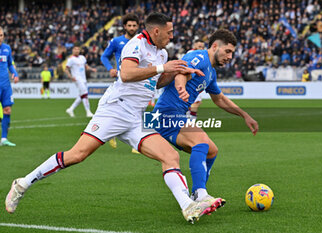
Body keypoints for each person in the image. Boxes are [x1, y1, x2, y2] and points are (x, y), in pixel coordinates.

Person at [5, 12, 220, 224]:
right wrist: (165, 67)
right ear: (156, 31)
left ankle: (187, 206)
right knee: (77, 155)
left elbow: (156, 81)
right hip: (115, 110)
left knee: (170, 156)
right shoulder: (136, 44)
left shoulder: (161, 53)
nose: (171, 36)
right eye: (169, 32)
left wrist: (177, 70)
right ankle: (23, 184)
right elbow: (126, 74)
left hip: (136, 117)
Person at [153, 29, 259, 205]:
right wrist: (181, 89)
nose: (230, 56)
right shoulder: (199, 57)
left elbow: (220, 99)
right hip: (166, 113)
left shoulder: (211, 73)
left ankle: (197, 193)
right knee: (200, 141)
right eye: (228, 51)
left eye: (232, 53)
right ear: (215, 46)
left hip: (175, 115)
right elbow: (181, 72)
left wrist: (244, 115)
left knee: (211, 151)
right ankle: (201, 194)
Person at [100, 13, 139, 151]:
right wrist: (110, 68)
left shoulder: (142, 42)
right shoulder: (117, 41)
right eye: (129, 25)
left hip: (140, 80)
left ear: (138, 26)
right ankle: (111, 133)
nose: (132, 28)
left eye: (134, 25)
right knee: (116, 108)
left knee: (141, 108)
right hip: (122, 80)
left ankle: (139, 141)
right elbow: (104, 56)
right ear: (124, 26)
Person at [65, 44, 97, 118]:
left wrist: (92, 69)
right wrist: (70, 76)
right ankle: (88, 112)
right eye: (75, 49)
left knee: (82, 95)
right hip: (77, 79)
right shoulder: (71, 59)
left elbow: (86, 66)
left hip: (83, 79)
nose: (77, 50)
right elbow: (66, 69)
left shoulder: (82, 58)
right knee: (85, 94)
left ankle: (71, 109)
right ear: (73, 50)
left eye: (78, 49)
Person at [0, 27, 19, 147]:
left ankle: (3, 139)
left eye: (1, 35)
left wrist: (15, 74)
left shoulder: (7, 48)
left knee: (7, 110)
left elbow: (10, 64)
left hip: (5, 85)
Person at [186, 39, 206, 120]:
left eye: (202, 47)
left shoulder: (203, 55)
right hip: (191, 82)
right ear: (194, 46)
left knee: (196, 102)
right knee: (195, 102)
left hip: (198, 82)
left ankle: (189, 119)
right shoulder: (191, 53)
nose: (201, 48)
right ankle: (191, 121)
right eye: (199, 46)